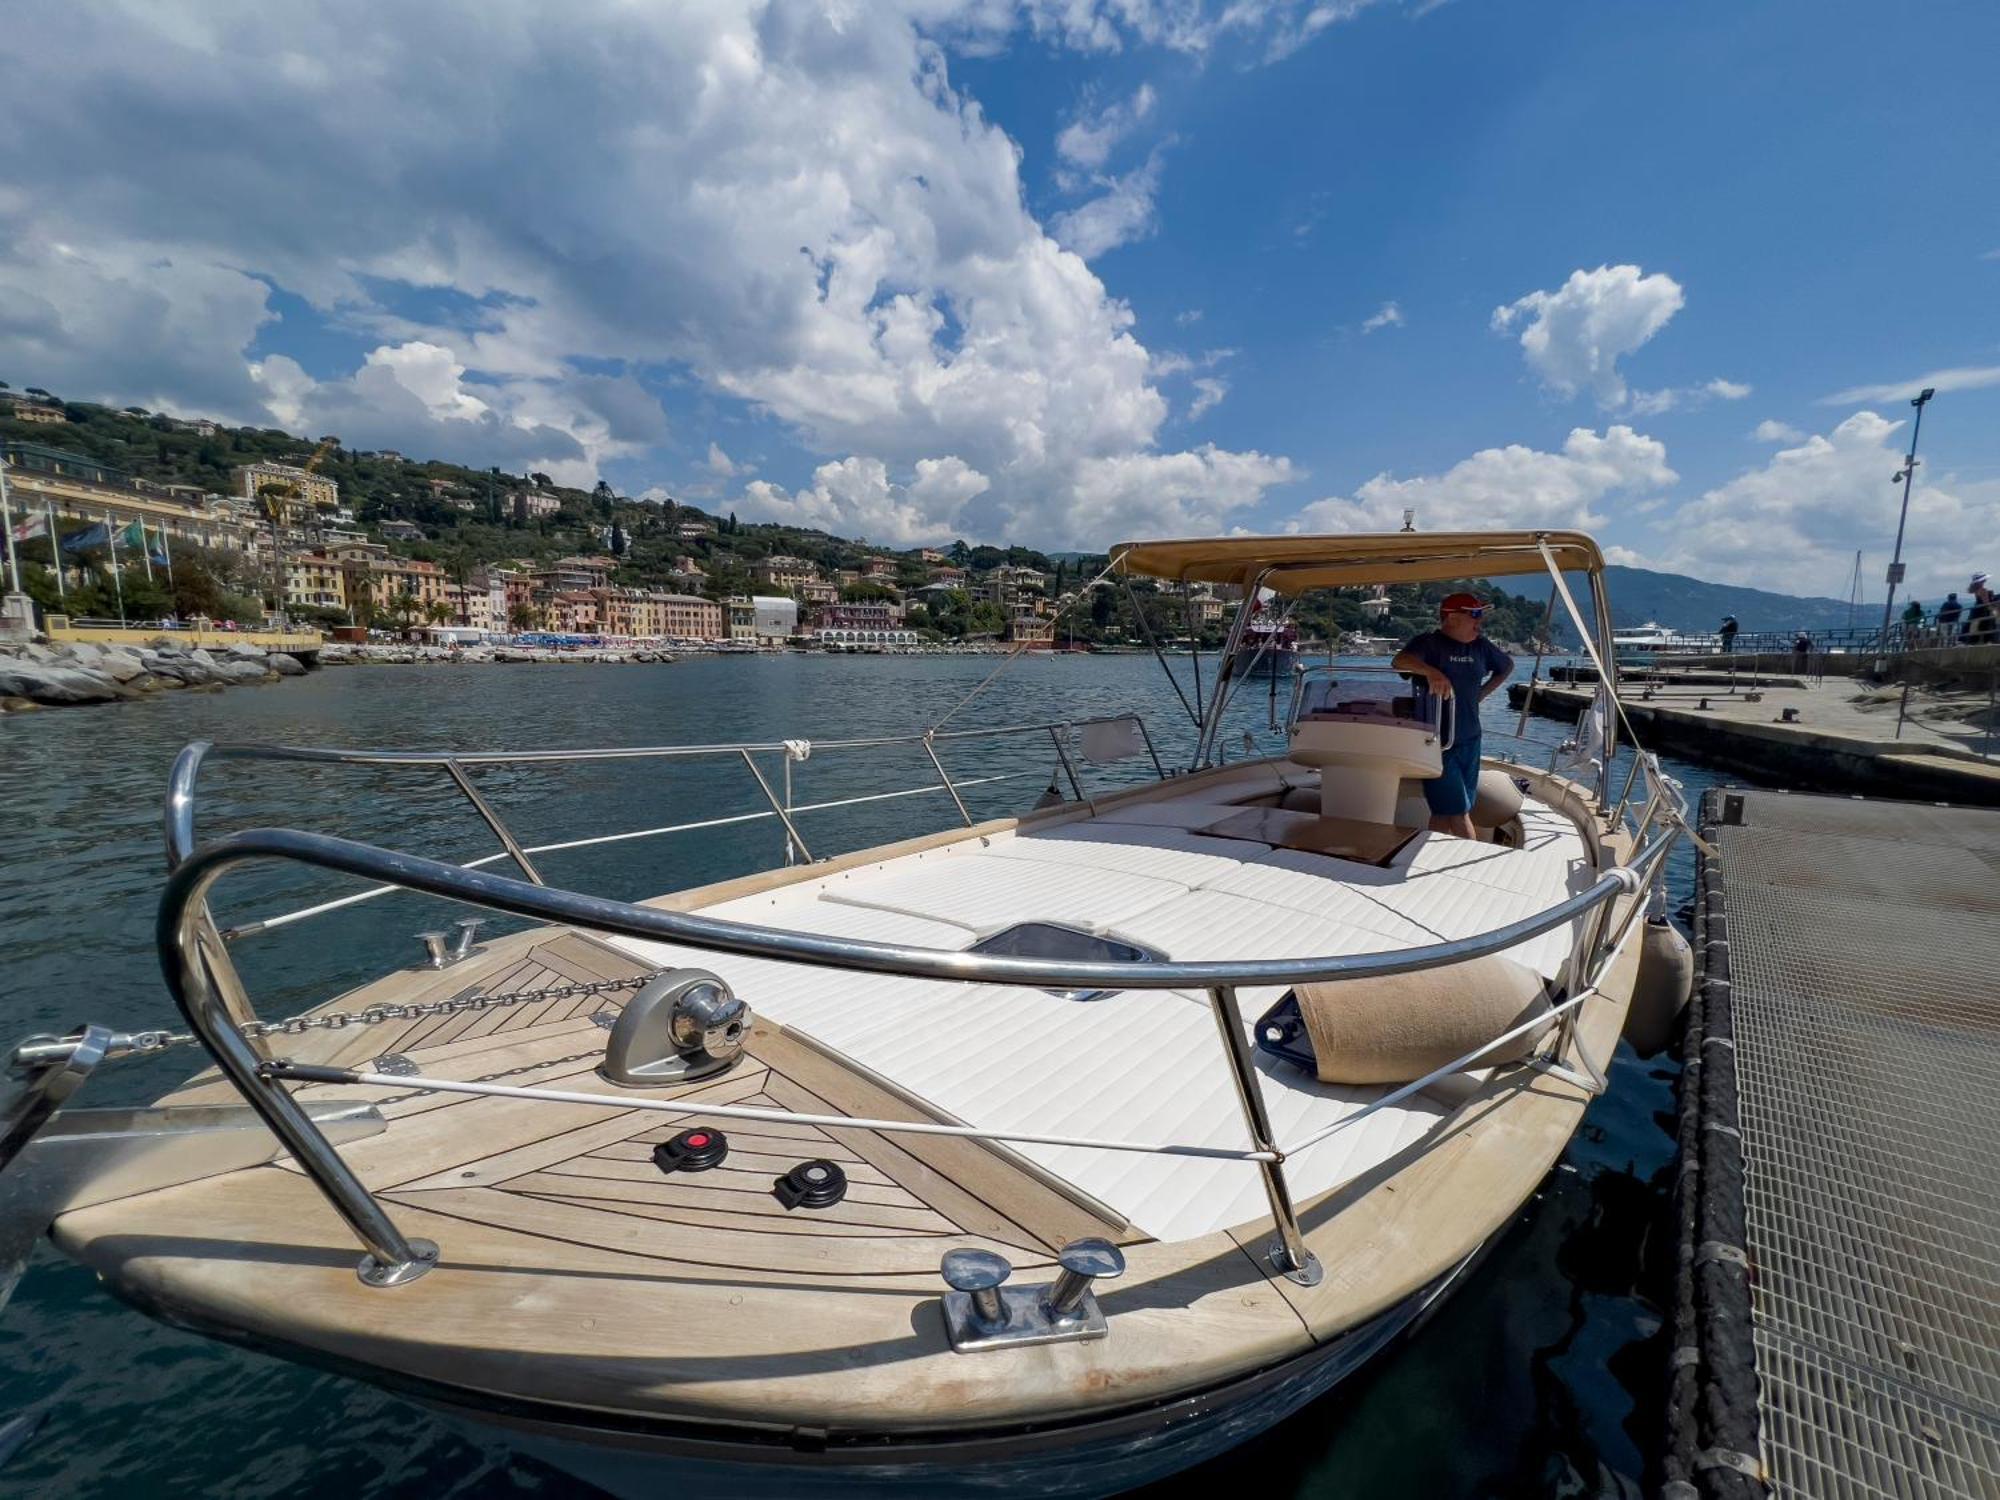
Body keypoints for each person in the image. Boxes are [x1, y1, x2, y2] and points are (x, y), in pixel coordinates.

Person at [1392, 592, 1513, 839]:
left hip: (1471, 739)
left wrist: (1481, 694)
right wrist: (1430, 672)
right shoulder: (1428, 644)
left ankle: (1430, 859)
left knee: (1444, 811)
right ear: (1452, 618)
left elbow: (1506, 667)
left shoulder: (1481, 646)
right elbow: (1399, 661)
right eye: (1475, 614)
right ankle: (1467, 870)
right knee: (1458, 813)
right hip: (1438, 742)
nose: (1480, 621)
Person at [1966, 574, 1998, 647]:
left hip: (1977, 610)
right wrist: (1993, 610)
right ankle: (1987, 641)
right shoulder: (1983, 590)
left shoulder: (1977, 590)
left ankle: (1973, 642)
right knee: (1987, 625)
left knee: (1976, 626)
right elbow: (1986, 603)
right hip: (1983, 611)